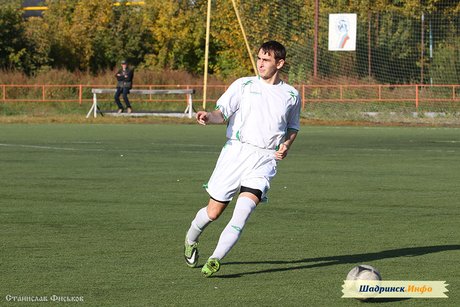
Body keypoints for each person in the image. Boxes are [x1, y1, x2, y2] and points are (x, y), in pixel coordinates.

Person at [184, 41, 301, 277]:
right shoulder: (243, 85)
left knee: (243, 211)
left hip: (265, 159)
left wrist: (286, 145)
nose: (260, 62)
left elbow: (292, 127)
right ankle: (190, 238)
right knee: (214, 212)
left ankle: (215, 258)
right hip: (236, 153)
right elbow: (221, 114)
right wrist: (208, 116)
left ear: (279, 63)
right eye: (259, 58)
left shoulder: (291, 95)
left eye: (266, 59)